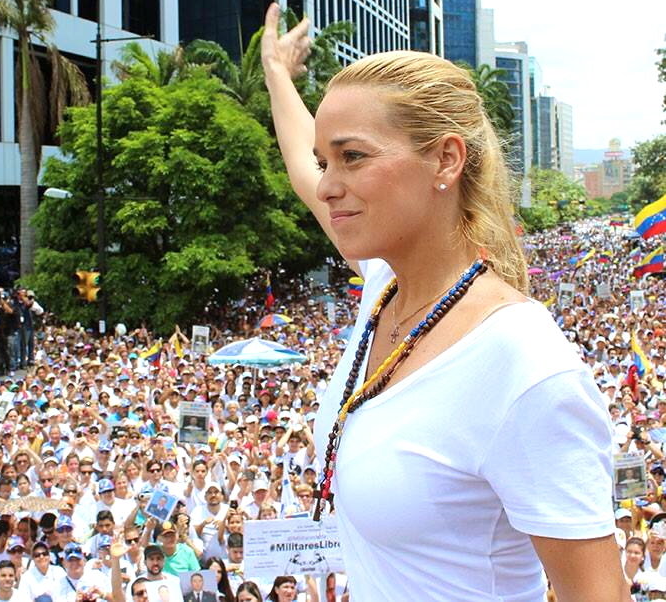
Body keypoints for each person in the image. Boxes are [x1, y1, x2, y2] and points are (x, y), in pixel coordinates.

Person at [260, 3, 626, 600]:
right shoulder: (385, 288)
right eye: (329, 161)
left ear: (445, 160)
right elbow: (304, 170)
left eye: (353, 157)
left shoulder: (524, 364)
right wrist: (277, 70)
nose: (328, 183)